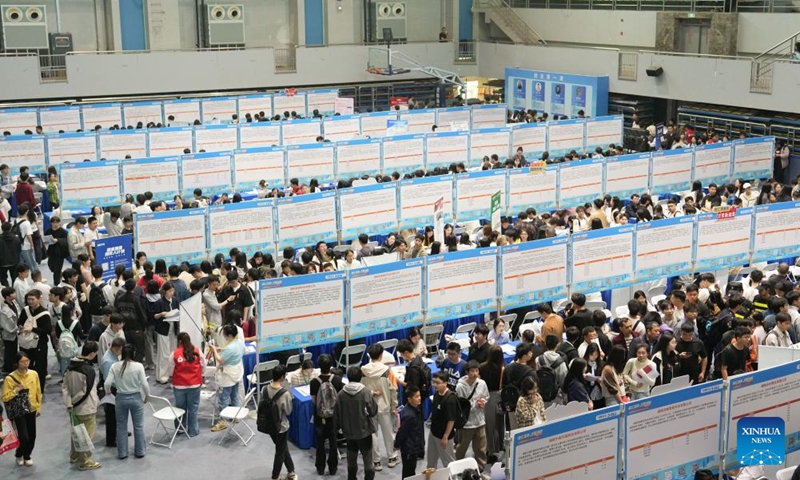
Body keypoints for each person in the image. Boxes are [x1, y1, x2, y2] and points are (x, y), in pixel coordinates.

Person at [104, 344, 149, 459]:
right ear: (133, 354)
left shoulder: (114, 366)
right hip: (136, 398)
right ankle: (140, 451)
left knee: (121, 426)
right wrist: (147, 395)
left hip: (120, 398)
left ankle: (122, 453)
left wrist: (108, 392)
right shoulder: (139, 366)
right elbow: (144, 384)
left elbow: (107, 383)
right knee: (138, 425)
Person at [62, 341, 102, 471]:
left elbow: (65, 388)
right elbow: (85, 392)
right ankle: (85, 461)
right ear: (91, 354)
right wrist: (75, 401)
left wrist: (69, 403)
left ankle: (74, 455)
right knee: (86, 435)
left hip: (72, 408)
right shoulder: (88, 370)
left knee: (76, 432)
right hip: (86, 407)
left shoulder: (70, 366)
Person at [361, 343, 399, 471]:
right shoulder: (387, 370)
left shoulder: (363, 370)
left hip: (369, 407)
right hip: (384, 406)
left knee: (373, 434)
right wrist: (394, 405)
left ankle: (376, 461)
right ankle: (391, 457)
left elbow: (361, 389)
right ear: (381, 355)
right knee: (388, 433)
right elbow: (393, 389)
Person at [336, 365, 377, 480]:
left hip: (348, 432)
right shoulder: (366, 392)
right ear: (360, 377)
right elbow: (373, 411)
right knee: (368, 459)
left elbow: (337, 414)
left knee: (351, 459)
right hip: (364, 431)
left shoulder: (341, 394)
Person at [2, 351, 42, 466]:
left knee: (32, 435)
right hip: (19, 411)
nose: (25, 364)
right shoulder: (10, 378)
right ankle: (19, 454)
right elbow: (4, 397)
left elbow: (38, 391)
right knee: (23, 436)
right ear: (17, 363)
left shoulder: (34, 374)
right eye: (22, 362)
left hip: (32, 408)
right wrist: (16, 390)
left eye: (27, 361)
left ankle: (27, 455)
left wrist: (39, 406)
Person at [310, 354, 344, 475]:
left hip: (320, 417)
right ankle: (333, 468)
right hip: (334, 417)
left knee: (320, 443)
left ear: (319, 366)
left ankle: (320, 467)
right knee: (333, 442)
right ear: (331, 365)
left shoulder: (314, 382)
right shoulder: (337, 380)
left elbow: (314, 400)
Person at [455, 360, 490, 472]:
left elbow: (486, 396)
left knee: (481, 449)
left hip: (480, 421)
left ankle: (481, 469)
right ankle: (457, 469)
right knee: (462, 448)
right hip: (466, 423)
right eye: (472, 371)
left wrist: (483, 401)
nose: (475, 373)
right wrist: (475, 404)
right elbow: (462, 406)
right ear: (467, 372)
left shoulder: (482, 383)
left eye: (477, 371)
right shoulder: (460, 387)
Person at [264, 365, 297, 480]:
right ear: (283, 377)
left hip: (269, 426)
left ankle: (291, 471)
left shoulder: (265, 389)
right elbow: (288, 411)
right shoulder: (285, 394)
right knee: (280, 451)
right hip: (281, 427)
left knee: (282, 448)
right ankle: (275, 476)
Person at [169, 332, 205, 437]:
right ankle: (193, 430)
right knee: (193, 408)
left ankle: (180, 428)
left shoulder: (174, 354)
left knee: (180, 407)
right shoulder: (197, 351)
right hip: (195, 384)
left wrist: (173, 377)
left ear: (179, 341)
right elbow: (203, 365)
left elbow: (171, 370)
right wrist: (199, 374)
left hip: (179, 385)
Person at [210, 324, 244, 433]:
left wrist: (214, 351)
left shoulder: (230, 348)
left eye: (224, 334)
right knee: (234, 396)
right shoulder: (239, 342)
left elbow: (220, 360)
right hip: (237, 372)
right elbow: (229, 351)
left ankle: (223, 421)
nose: (223, 336)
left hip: (228, 375)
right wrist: (220, 349)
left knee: (224, 398)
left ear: (229, 335)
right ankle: (236, 417)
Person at [17, 289, 50, 393]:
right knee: (26, 366)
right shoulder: (25, 310)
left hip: (39, 344)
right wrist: (21, 326)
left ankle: (40, 388)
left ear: (39, 299)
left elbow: (47, 330)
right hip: (26, 343)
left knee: (40, 367)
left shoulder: (44, 314)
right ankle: (28, 387)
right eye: (28, 299)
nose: (30, 301)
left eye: (32, 299)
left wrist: (33, 329)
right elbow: (20, 321)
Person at [428, 370, 458, 469]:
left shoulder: (450, 399)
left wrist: (445, 437)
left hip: (443, 437)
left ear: (445, 383)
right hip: (433, 433)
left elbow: (451, 420)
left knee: (449, 463)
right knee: (431, 462)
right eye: (434, 382)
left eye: (437, 383)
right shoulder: (437, 394)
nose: (435, 385)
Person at [151, 281, 179, 384]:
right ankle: (162, 375)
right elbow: (154, 316)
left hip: (173, 329)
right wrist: (161, 314)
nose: (172, 293)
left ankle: (172, 373)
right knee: (163, 354)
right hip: (163, 330)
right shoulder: (159, 302)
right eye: (170, 291)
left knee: (173, 352)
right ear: (164, 291)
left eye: (173, 291)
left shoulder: (175, 300)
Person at [394, 386, 424, 479]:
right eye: (416, 396)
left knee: (410, 470)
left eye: (419, 396)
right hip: (409, 449)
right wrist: (396, 444)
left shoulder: (414, 409)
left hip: (413, 445)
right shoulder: (409, 415)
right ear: (409, 399)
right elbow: (402, 432)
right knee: (408, 472)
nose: (419, 398)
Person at [101, 337, 125, 448]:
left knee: (117, 414)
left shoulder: (112, 355)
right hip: (111, 391)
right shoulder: (108, 361)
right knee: (111, 416)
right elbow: (107, 380)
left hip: (115, 388)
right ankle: (111, 440)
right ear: (115, 348)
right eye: (121, 350)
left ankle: (119, 432)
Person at [44, 216, 69, 287]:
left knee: (57, 269)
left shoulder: (63, 231)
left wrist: (57, 240)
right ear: (51, 223)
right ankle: (59, 274)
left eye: (57, 222)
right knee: (51, 265)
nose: (55, 224)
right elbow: (45, 238)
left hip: (60, 252)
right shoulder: (48, 231)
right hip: (51, 251)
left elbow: (66, 241)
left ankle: (56, 283)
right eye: (53, 222)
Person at [1, 287, 18, 374]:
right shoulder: (4, 310)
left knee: (14, 350)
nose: (15, 294)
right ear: (8, 296)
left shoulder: (14, 303)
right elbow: (8, 325)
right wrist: (18, 329)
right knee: (9, 352)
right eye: (13, 293)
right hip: (9, 334)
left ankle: (13, 366)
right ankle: (9, 368)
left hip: (16, 333)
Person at [0, 221, 21, 287]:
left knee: (3, 278)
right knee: (15, 278)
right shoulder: (16, 239)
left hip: (2, 262)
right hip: (14, 261)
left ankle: (7, 292)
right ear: (10, 228)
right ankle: (14, 292)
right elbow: (19, 250)